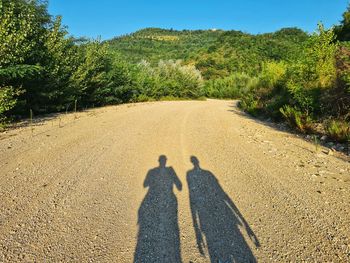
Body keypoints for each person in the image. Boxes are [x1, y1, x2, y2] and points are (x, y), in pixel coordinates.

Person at [187, 156, 259, 263]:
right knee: (240, 243)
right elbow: (223, 194)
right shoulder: (207, 173)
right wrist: (245, 224)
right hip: (226, 216)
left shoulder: (191, 174)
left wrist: (197, 228)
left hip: (205, 220)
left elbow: (192, 198)